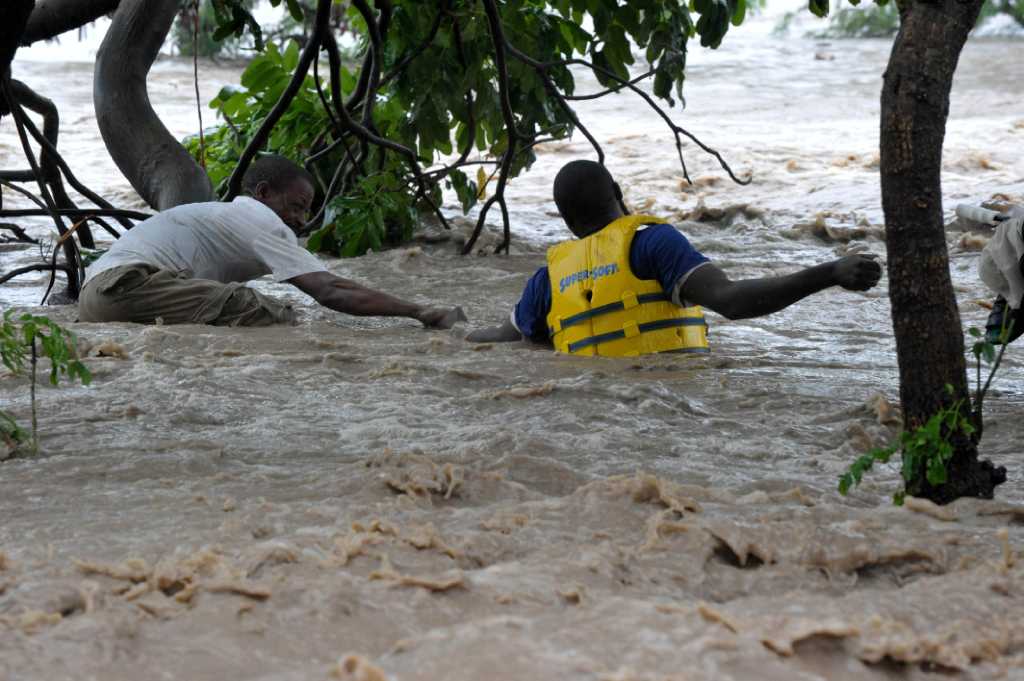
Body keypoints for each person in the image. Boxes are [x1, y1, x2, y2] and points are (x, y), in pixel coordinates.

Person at [466, 160, 882, 355]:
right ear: (617, 191)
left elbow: (501, 339)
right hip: (665, 403)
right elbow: (732, 301)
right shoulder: (653, 244)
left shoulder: (549, 280)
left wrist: (453, 330)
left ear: (567, 221)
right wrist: (828, 272)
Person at [79, 155, 465, 329]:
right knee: (270, 313)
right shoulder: (259, 218)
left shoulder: (221, 215)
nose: (300, 219)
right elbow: (329, 291)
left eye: (306, 211)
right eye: (296, 206)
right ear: (263, 193)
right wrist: (418, 311)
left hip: (96, 298)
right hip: (126, 287)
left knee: (226, 306)